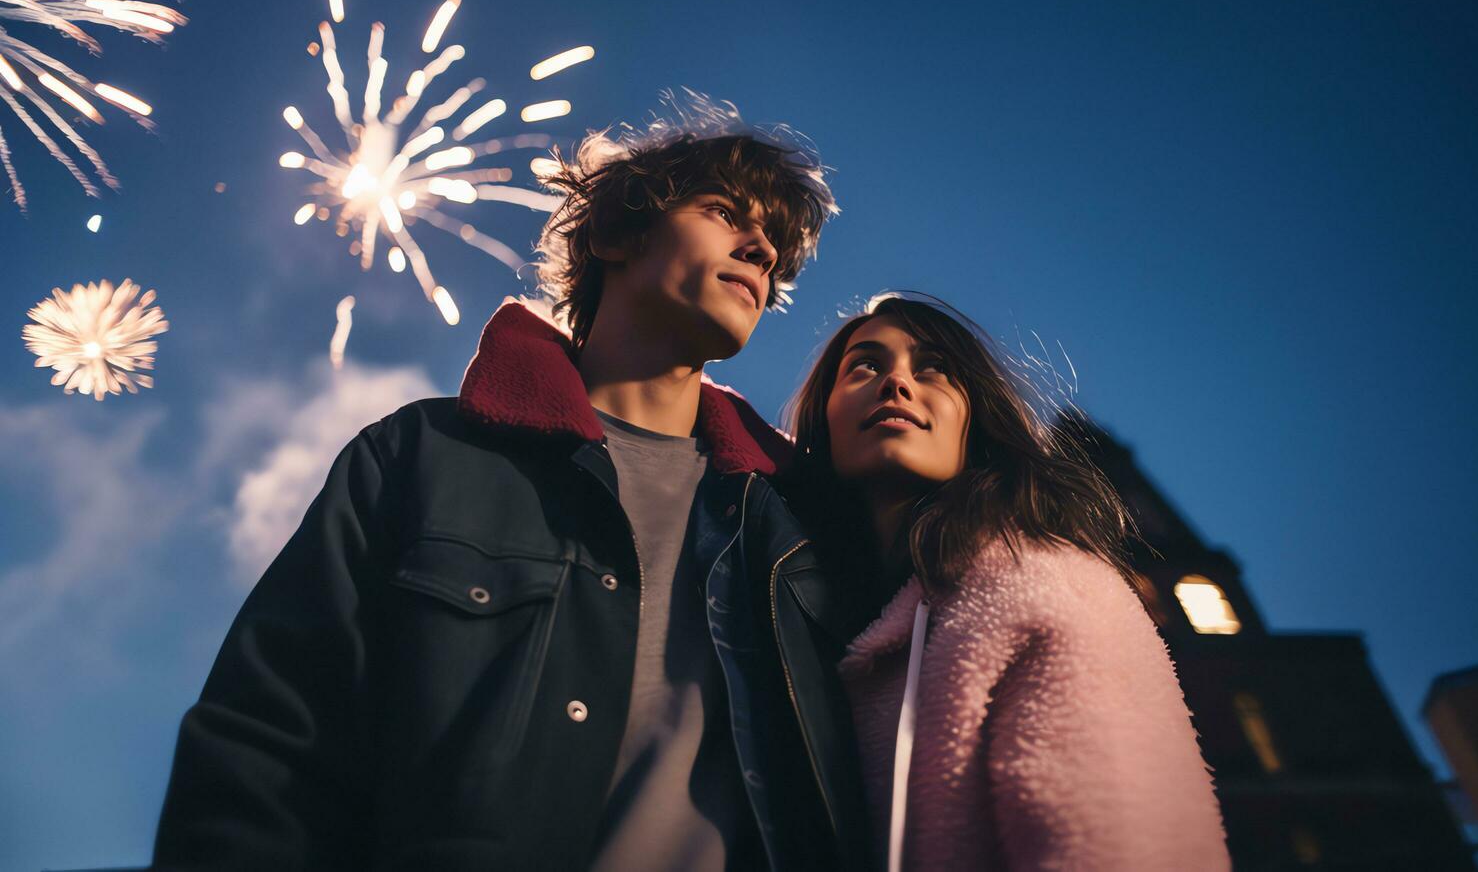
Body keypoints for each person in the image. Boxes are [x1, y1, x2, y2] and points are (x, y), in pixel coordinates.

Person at [153, 97, 869, 871]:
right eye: (724, 211)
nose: (760, 247)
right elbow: (266, 746)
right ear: (616, 235)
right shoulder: (423, 455)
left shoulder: (793, 522)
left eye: (774, 243)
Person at [783, 294, 1229, 871]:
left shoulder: (1051, 591)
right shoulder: (803, 616)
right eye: (865, 366)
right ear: (823, 419)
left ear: (977, 419)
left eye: (934, 369)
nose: (896, 382)